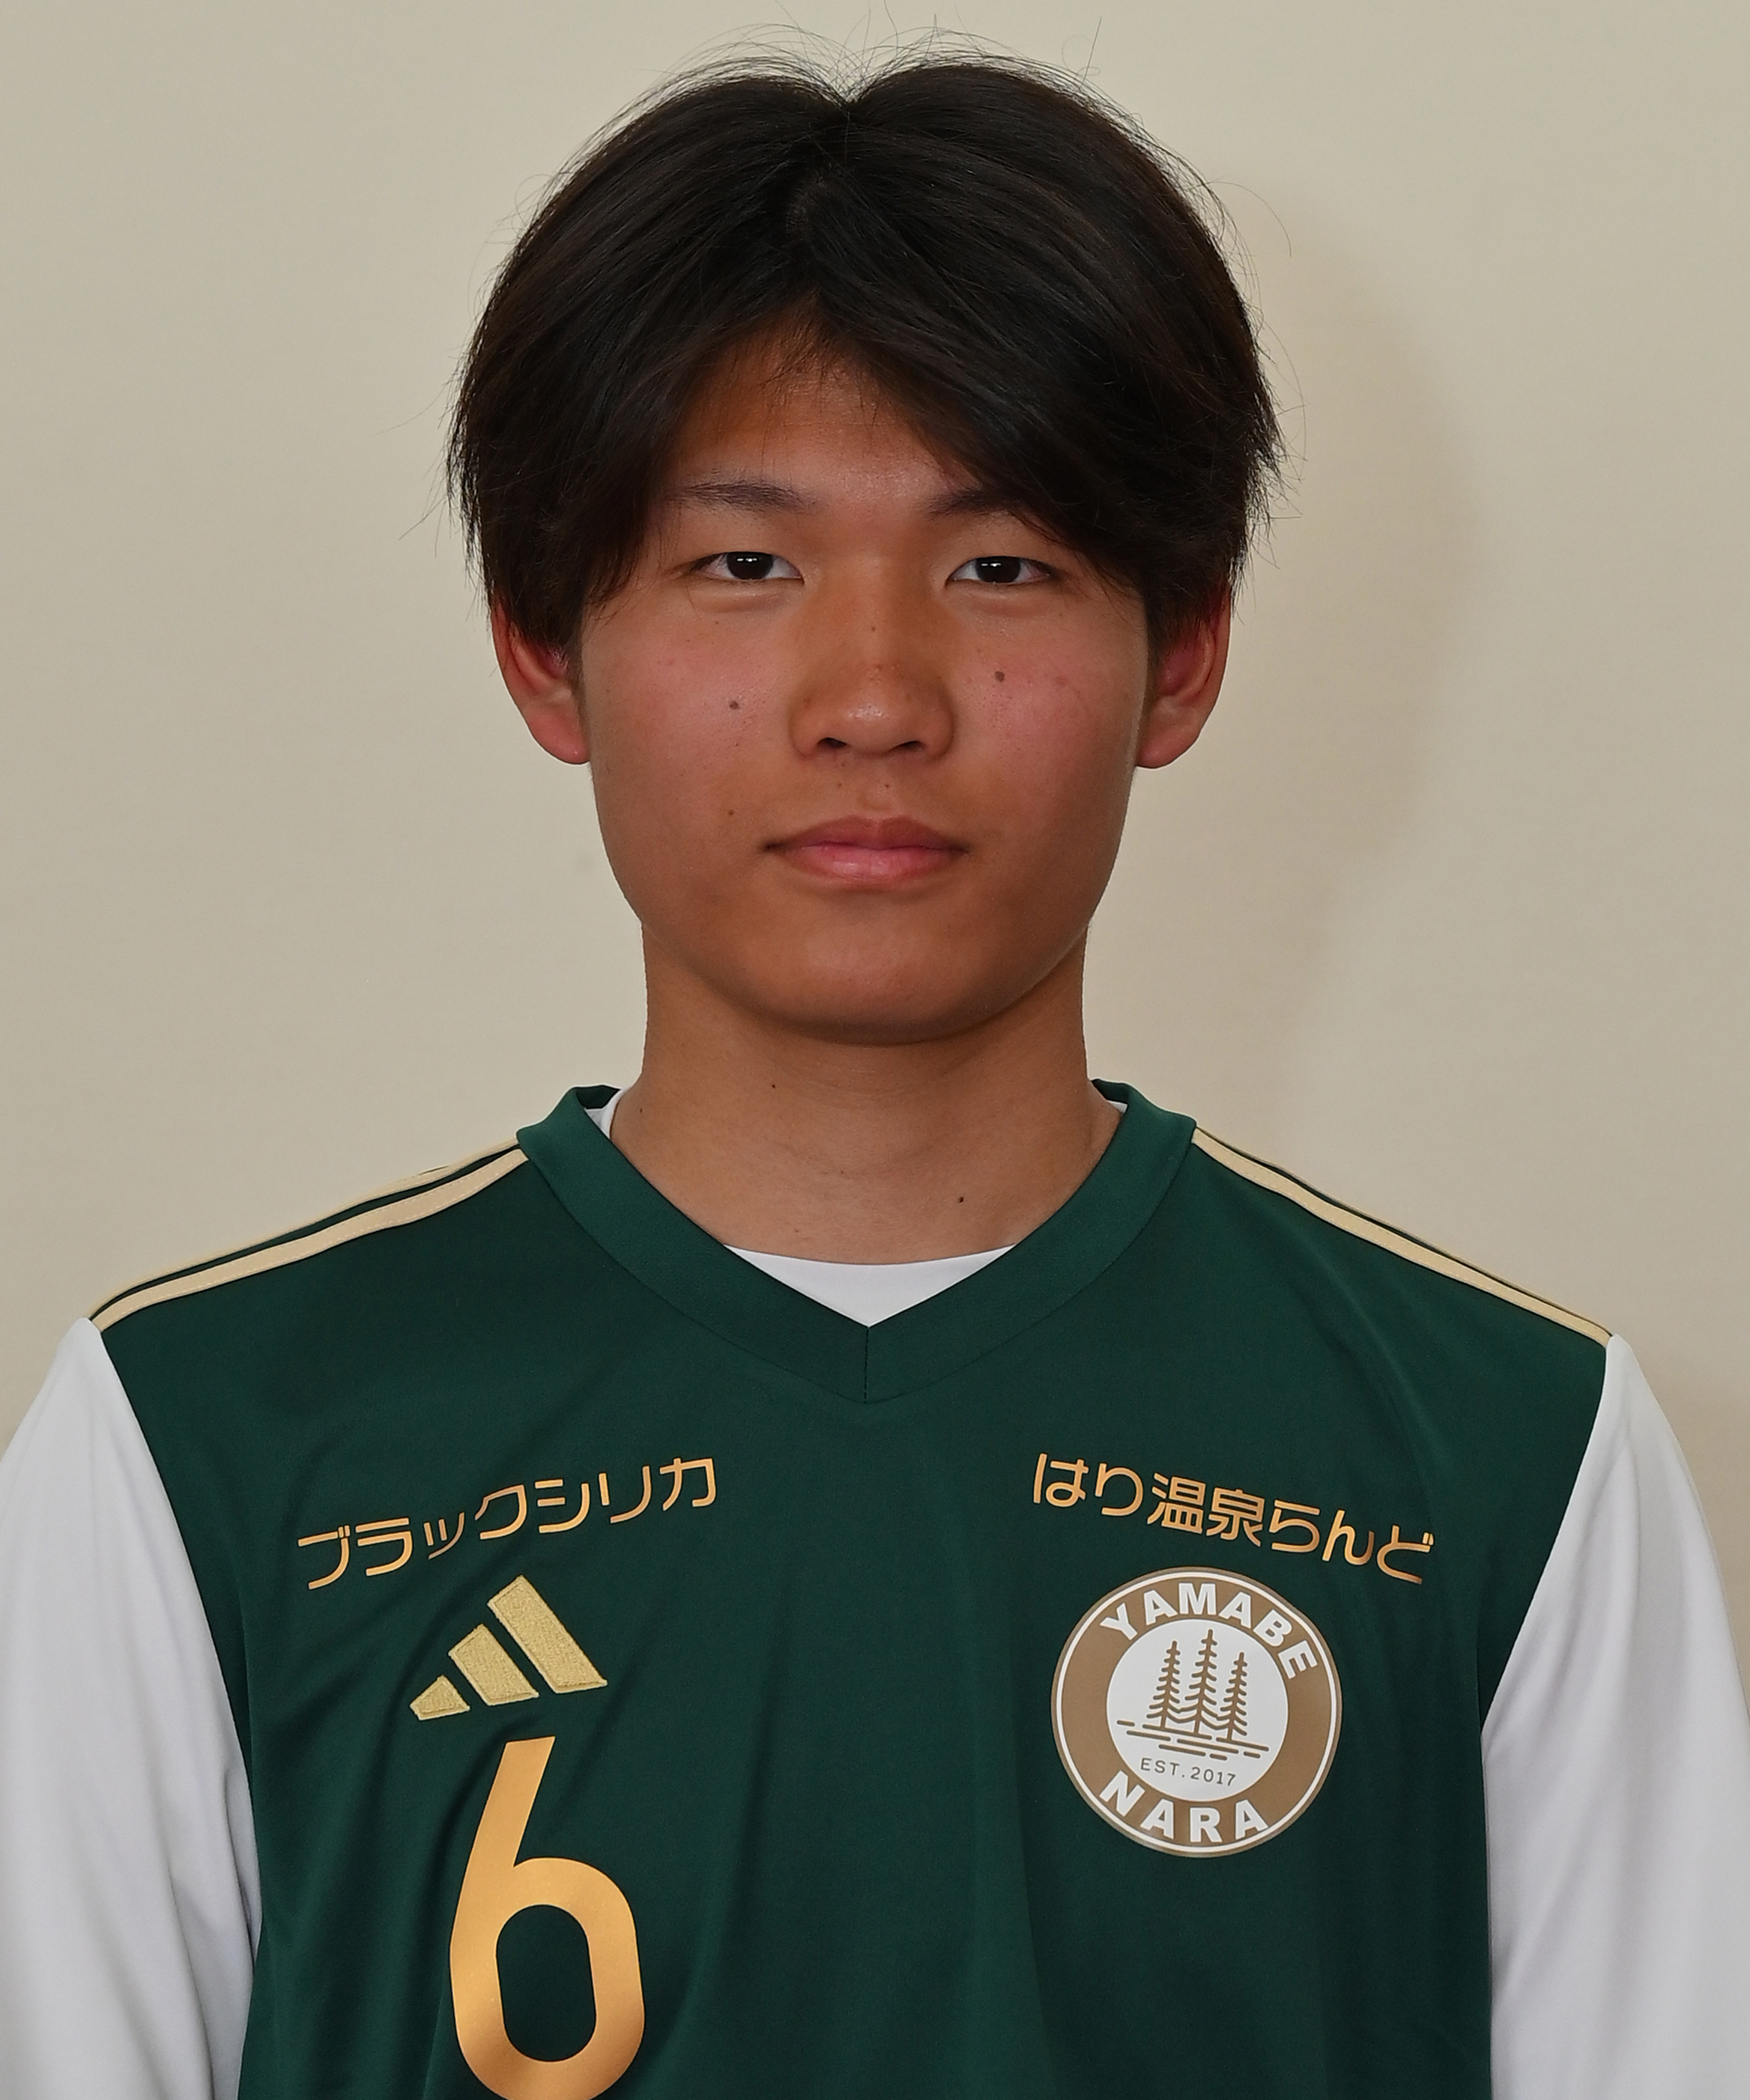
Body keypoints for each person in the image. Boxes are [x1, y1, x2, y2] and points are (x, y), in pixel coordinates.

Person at [1, 49, 1746, 2100]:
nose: (875, 699)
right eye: (745, 565)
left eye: (1001, 565)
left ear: (1183, 650)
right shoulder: (202, 1447)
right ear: (546, 648)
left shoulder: (1503, 1456)